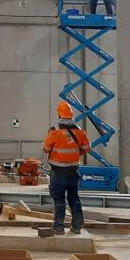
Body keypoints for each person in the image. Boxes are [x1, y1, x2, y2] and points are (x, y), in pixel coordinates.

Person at [42, 101, 91, 235]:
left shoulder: (54, 131)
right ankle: (76, 227)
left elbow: (46, 149)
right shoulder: (80, 131)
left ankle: (58, 227)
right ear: (71, 114)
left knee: (59, 199)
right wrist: (75, 153)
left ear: (59, 114)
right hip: (73, 171)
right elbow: (87, 148)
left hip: (58, 172)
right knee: (74, 198)